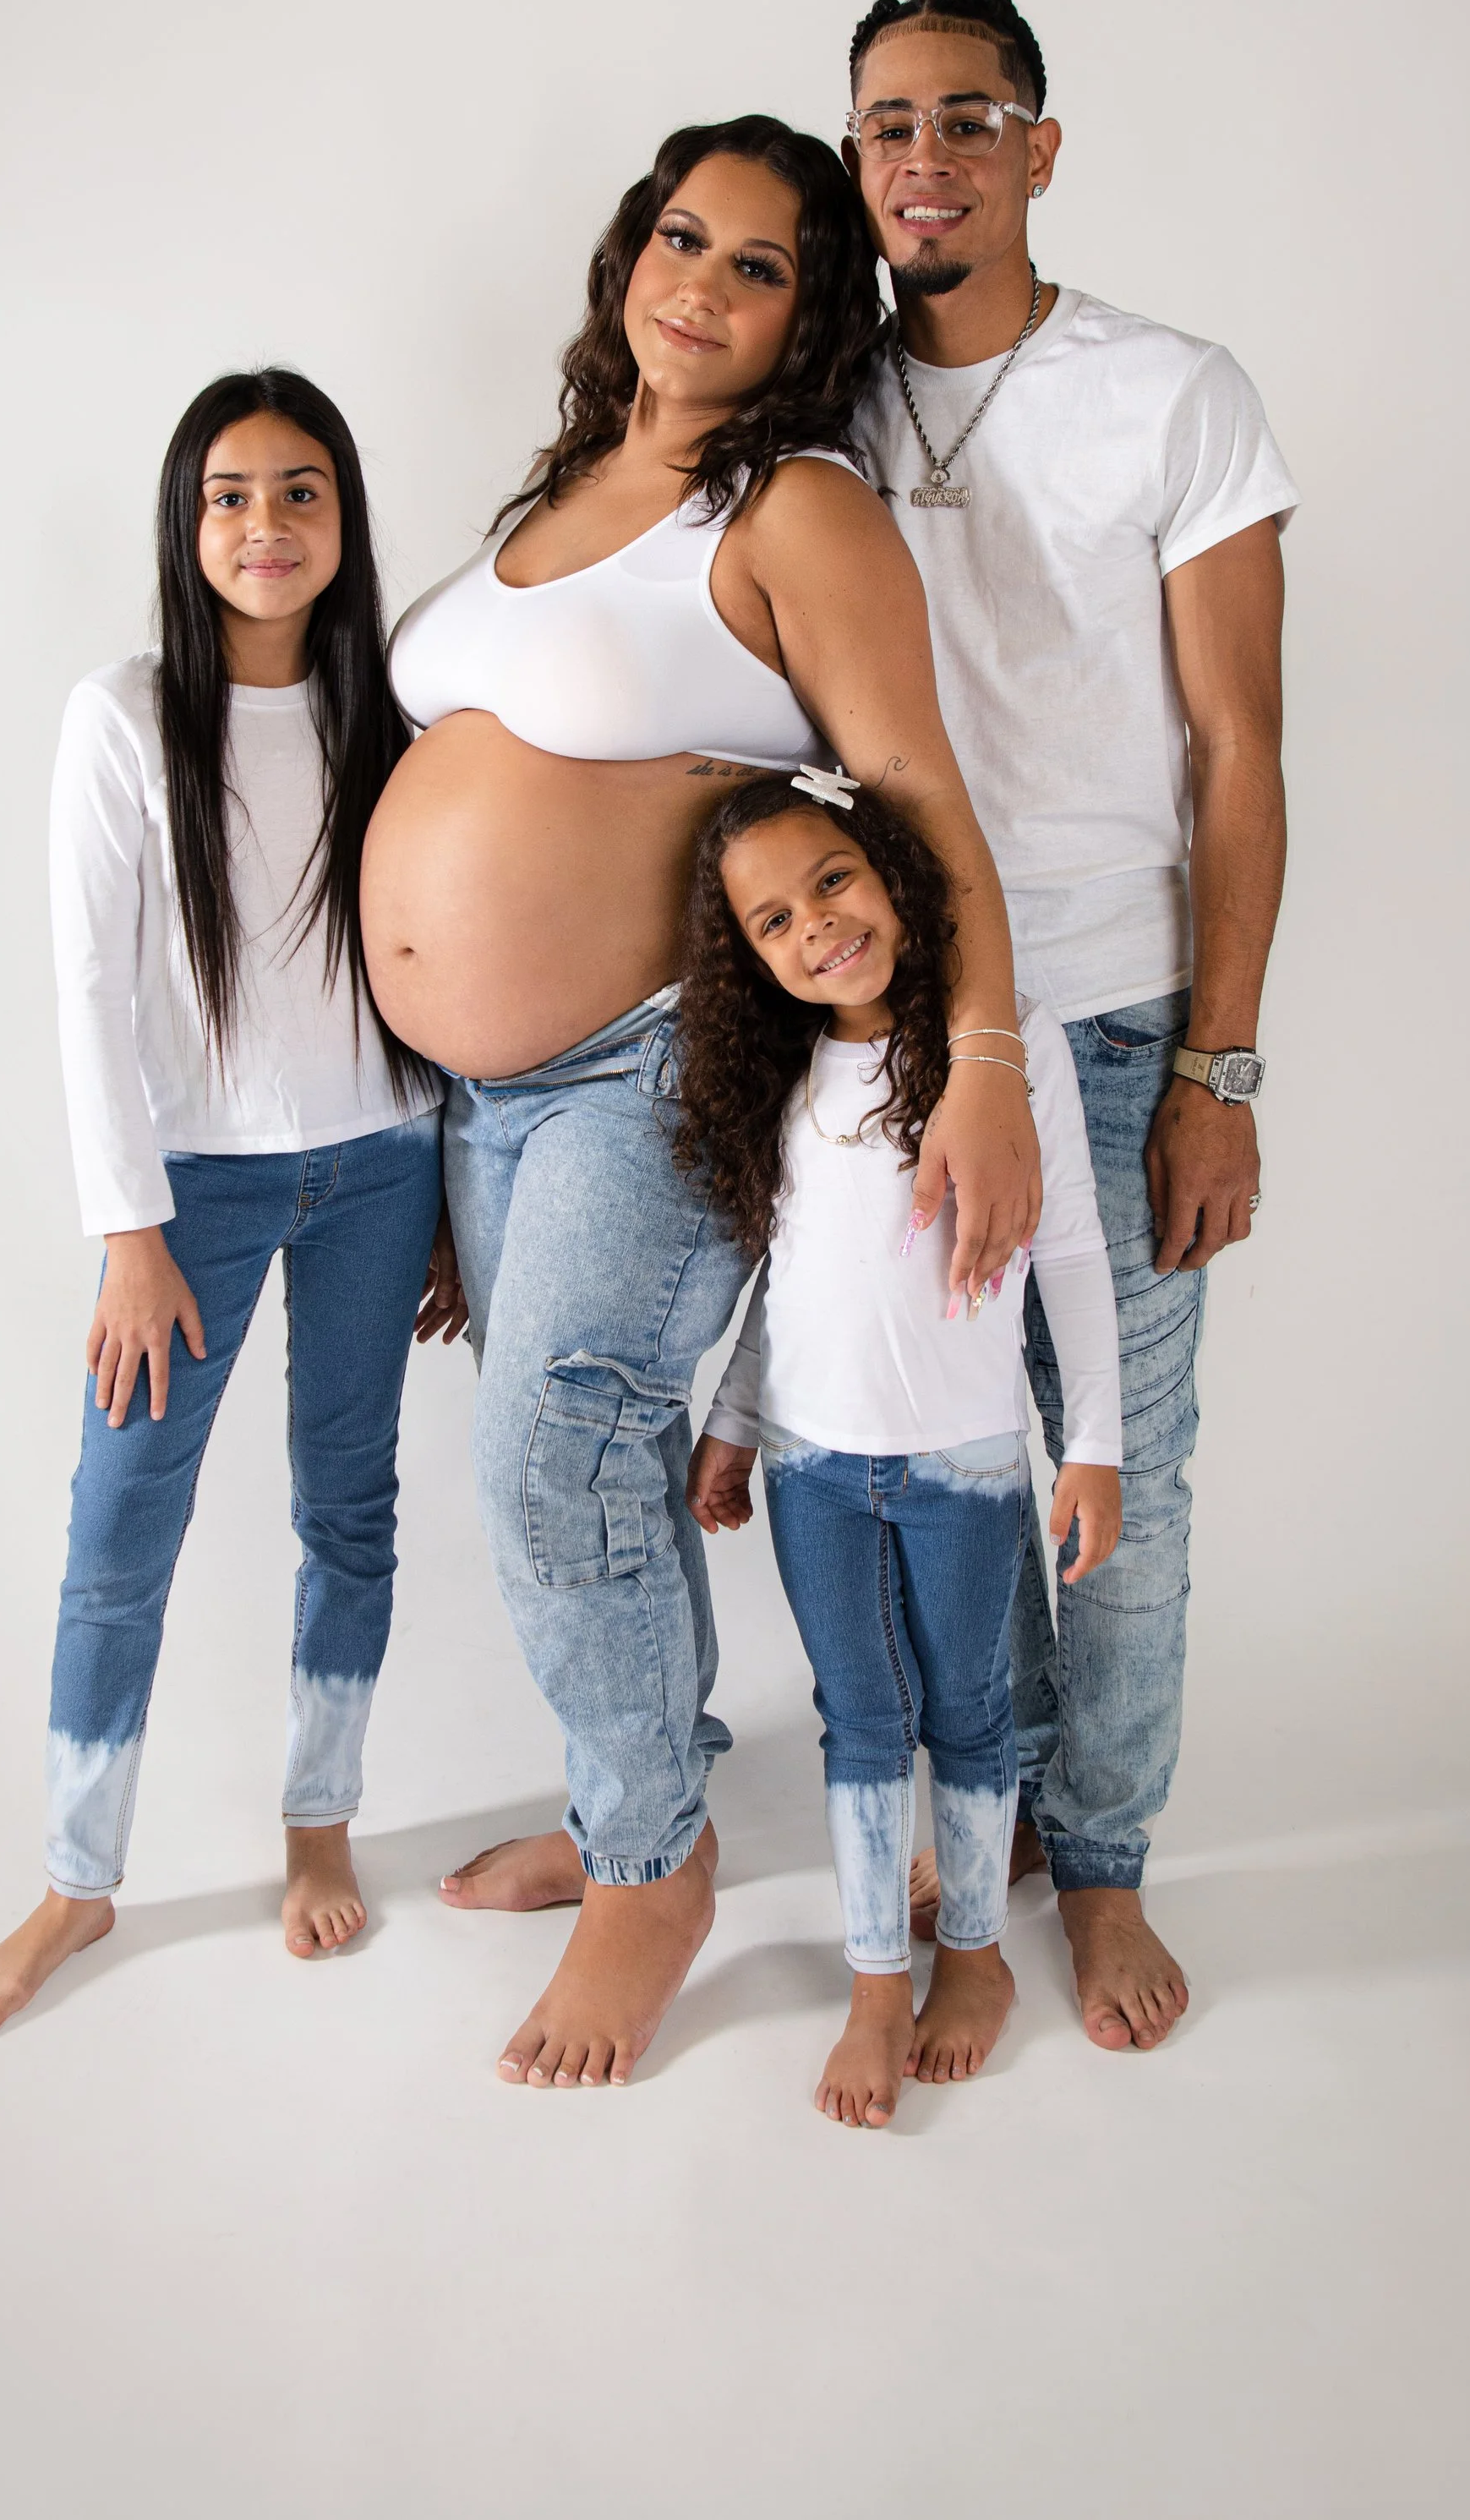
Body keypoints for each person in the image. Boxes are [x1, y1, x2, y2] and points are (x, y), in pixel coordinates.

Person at [365, 115, 1042, 2089]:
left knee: (552, 1449)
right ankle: (623, 1795)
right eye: (681, 238)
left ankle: (647, 1876)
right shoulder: (567, 483)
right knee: (581, 1456)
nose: (701, 284)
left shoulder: (796, 510)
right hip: (482, 1095)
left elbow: (921, 805)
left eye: (758, 266)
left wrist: (976, 1068)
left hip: (657, 1050)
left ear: (809, 316)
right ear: (625, 254)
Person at [842, 0, 1297, 2052]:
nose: (919, 155)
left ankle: (1097, 1863)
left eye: (965, 115)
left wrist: (1218, 1067)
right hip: (879, 1034)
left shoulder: (1169, 391)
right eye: (883, 126)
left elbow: (1239, 746)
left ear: (1039, 146)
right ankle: (983, 1800)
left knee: (1120, 1468)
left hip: (1111, 1025)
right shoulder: (821, 399)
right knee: (927, 1457)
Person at [0, 370, 462, 2040]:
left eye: (300, 490)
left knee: (348, 1509)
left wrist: (448, 1183)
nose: (265, 523)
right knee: (119, 1536)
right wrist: (127, 1231)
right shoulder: (120, 716)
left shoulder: (390, 711)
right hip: (193, 1196)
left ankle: (319, 1826)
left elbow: (433, 959)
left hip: (384, 1164)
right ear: (186, 527)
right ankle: (76, 1880)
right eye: (229, 495)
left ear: (344, 520)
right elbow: (86, 985)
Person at [677, 772, 1122, 2127]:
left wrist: (1091, 1445)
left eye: (831, 881)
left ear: (888, 871)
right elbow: (787, 1277)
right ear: (751, 958)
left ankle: (974, 1958)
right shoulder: (790, 1076)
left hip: (966, 1467)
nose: (816, 927)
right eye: (772, 922)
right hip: (817, 1471)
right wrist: (736, 1424)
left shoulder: (1005, 1046)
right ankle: (878, 1982)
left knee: (974, 1713)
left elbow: (1075, 1255)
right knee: (862, 1720)